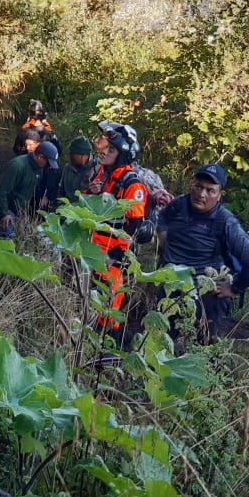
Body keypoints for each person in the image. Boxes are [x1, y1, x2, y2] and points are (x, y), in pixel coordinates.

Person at [157, 163, 249, 343]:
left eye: (210, 190)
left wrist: (233, 288)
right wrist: (162, 238)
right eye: (198, 187)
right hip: (170, 288)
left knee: (203, 346)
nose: (201, 194)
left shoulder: (225, 222)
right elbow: (162, 218)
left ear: (219, 195)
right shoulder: (180, 204)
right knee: (160, 342)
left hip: (205, 294)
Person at [85, 122, 165, 346]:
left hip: (111, 256)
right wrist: (91, 191)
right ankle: (91, 344)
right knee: (91, 301)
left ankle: (109, 350)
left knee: (110, 304)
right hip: (92, 249)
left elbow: (133, 225)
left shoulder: (132, 184)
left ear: (122, 155)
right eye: (105, 148)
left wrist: (116, 256)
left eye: (111, 150)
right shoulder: (105, 175)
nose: (104, 152)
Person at [0, 140, 59, 237]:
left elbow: (31, 191)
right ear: (40, 157)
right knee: (8, 238)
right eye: (48, 163)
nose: (48, 166)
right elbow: (2, 192)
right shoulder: (17, 166)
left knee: (26, 238)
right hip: (7, 210)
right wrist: (5, 213)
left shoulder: (39, 169)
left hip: (21, 212)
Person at [59, 136, 98, 201]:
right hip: (68, 209)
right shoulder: (67, 169)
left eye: (72, 154)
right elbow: (61, 191)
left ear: (81, 156)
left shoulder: (98, 168)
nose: (70, 156)